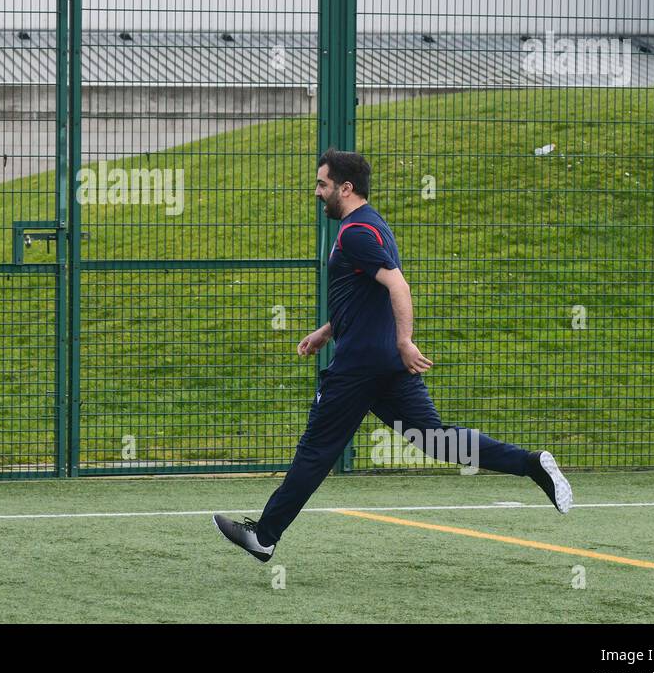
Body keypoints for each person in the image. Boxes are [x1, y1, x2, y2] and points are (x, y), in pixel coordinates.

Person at [214, 149, 572, 562]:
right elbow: (367, 293)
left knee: (316, 450)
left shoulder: (355, 233)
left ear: (345, 188)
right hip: (385, 366)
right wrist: (328, 330)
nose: (317, 193)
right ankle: (531, 464)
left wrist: (406, 340)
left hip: (361, 367)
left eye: (322, 184)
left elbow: (398, 287)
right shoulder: (374, 224)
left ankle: (265, 535)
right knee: (437, 440)